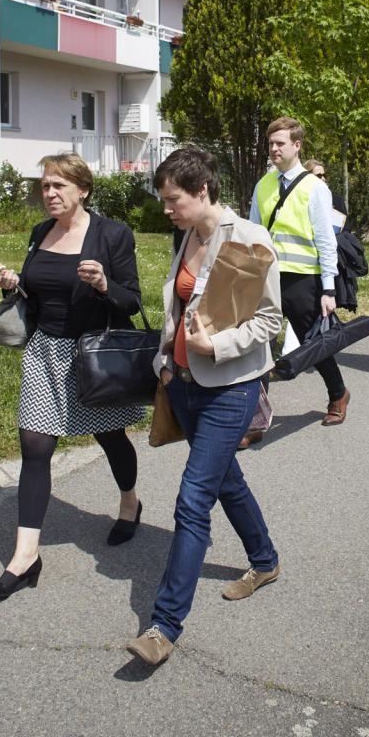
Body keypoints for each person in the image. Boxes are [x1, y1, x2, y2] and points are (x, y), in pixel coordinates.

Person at [126, 146, 281, 667]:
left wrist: (220, 347)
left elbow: (269, 321)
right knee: (225, 481)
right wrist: (164, 368)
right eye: (164, 200)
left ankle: (163, 626)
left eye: (173, 199)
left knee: (193, 499)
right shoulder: (186, 236)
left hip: (231, 387)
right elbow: (176, 312)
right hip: (184, 385)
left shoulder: (249, 239)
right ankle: (265, 560)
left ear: (203, 191)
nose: (166, 209)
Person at [0, 153, 145, 602]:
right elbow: (39, 295)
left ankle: (129, 502)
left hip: (93, 354)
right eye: (45, 186)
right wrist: (15, 287)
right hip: (45, 353)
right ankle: (24, 558)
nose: (49, 194)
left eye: (58, 186)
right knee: (35, 447)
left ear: (83, 189)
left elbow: (132, 302)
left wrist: (104, 286)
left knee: (111, 436)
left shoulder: (112, 235)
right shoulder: (40, 234)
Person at [250, 118, 350, 427]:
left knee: (312, 344)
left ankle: (338, 392)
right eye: (271, 144)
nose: (274, 148)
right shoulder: (263, 184)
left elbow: (325, 240)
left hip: (302, 279)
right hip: (267, 278)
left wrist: (329, 289)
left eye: (280, 143)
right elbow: (254, 232)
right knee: (258, 346)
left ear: (297, 145)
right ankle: (255, 418)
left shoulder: (314, 187)